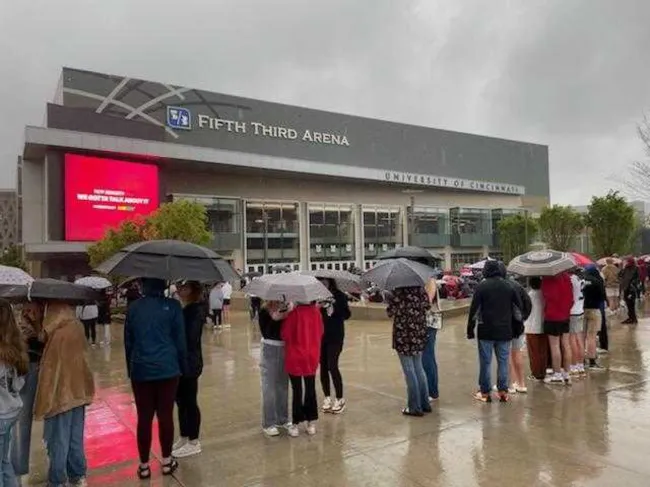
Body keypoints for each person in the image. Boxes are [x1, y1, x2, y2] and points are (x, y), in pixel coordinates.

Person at [124, 278, 187, 479]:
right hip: (168, 369)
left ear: (143, 286)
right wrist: (182, 367)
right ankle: (167, 461)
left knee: (144, 417)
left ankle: (144, 465)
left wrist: (131, 369)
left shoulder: (134, 308)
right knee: (166, 415)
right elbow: (180, 340)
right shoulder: (174, 306)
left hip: (141, 369)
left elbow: (128, 342)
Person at [34, 301, 95, 487]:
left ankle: (57, 480)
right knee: (75, 436)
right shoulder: (77, 326)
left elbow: (50, 369)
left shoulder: (56, 334)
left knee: (58, 440)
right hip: (79, 390)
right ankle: (78, 475)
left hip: (60, 395)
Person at [467, 260, 521, 403]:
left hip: (486, 331)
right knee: (503, 361)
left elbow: (474, 310)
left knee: (485, 362)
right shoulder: (509, 287)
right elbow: (517, 310)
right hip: (505, 331)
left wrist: (470, 329)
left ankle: (485, 393)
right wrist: (518, 328)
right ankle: (503, 391)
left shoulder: (481, 287)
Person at [172, 281, 206, 458]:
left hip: (190, 362)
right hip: (180, 361)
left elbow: (190, 338)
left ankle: (194, 440)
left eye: (184, 287)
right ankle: (184, 436)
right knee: (181, 401)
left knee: (190, 401)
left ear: (193, 291)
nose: (180, 290)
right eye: (179, 287)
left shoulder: (195, 311)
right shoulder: (185, 309)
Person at [11, 302, 45, 481]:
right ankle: (18, 469)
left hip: (40, 369)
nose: (29, 311)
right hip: (24, 369)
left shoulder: (44, 318)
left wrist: (38, 327)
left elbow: (44, 341)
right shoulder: (14, 317)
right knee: (22, 421)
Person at [387, 286, 431, 416]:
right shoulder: (420, 290)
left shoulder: (398, 292)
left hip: (403, 336)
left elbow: (390, 312)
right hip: (418, 334)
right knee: (419, 369)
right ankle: (425, 404)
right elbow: (427, 306)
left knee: (409, 371)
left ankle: (414, 407)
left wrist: (389, 299)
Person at [281, 303, 323, 435]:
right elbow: (321, 332)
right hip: (312, 356)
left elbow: (285, 335)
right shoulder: (317, 313)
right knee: (310, 388)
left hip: (295, 356)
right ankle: (311, 422)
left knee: (297, 390)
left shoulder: (293, 313)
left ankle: (295, 424)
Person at [0, 299, 29, 487]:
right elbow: (19, 384)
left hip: (1, 415)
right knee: (4, 462)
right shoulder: (16, 348)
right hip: (12, 411)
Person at [258, 301, 293, 437]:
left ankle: (282, 419)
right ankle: (268, 422)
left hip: (285, 348)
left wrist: (287, 312)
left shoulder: (287, 308)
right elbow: (267, 332)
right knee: (269, 387)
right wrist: (276, 317)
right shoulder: (264, 311)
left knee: (283, 386)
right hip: (269, 348)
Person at [319, 279, 351, 415]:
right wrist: (320, 306)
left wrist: (333, 306)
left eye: (324, 280)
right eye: (320, 280)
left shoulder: (339, 295)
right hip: (320, 336)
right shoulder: (317, 295)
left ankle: (339, 398)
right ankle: (327, 397)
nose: (322, 283)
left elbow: (347, 314)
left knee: (333, 366)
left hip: (336, 336)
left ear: (330, 281)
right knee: (323, 367)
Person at [541, 272, 573, 385]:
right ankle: (567, 373)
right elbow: (571, 297)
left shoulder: (547, 278)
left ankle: (557, 374)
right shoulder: (567, 277)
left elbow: (547, 296)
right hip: (565, 314)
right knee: (566, 344)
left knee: (555, 346)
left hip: (552, 315)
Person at [506, 273, 532, 394]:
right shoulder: (519, 287)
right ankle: (521, 383)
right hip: (519, 325)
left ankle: (509, 384)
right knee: (517, 352)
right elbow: (528, 303)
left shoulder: (503, 286)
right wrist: (523, 317)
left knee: (507, 354)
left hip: (506, 325)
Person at [583, 264, 607, 370]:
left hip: (581, 310)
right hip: (594, 310)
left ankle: (581, 361)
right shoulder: (597, 281)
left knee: (581, 337)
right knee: (591, 337)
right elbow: (602, 296)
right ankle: (592, 361)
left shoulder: (581, 281)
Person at [525, 277, 547, 380]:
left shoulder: (529, 295)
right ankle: (543, 371)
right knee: (543, 350)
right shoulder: (544, 294)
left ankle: (535, 373)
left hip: (531, 327)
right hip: (543, 325)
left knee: (534, 352)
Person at [423, 277, 440, 402]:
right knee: (427, 356)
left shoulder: (429, 280)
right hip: (429, 322)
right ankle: (430, 390)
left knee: (427, 356)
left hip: (428, 322)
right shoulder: (428, 279)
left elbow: (427, 301)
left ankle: (432, 391)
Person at [568, 270, 585, 376]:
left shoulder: (571, 279)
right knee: (579, 339)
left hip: (572, 311)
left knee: (572, 340)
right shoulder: (580, 279)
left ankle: (574, 365)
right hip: (580, 310)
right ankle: (581, 365)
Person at [620, 257, 640, 325]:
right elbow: (620, 274)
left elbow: (637, 278)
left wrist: (633, 284)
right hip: (626, 288)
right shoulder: (625, 268)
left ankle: (633, 318)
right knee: (628, 304)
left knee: (631, 304)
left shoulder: (635, 268)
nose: (626, 263)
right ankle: (631, 317)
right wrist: (623, 267)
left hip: (631, 288)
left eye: (627, 261)